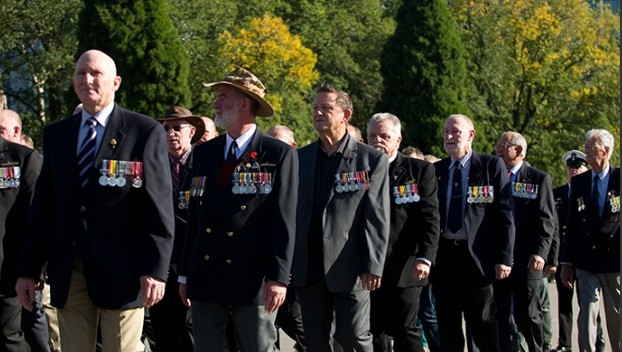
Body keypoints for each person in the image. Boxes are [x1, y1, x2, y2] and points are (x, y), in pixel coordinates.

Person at [15, 49, 175, 352]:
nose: (86, 79)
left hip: (123, 271)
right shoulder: (58, 134)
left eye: (95, 73)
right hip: (69, 268)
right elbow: (44, 209)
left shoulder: (143, 131)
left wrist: (155, 269)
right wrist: (28, 269)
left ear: (115, 82)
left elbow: (158, 208)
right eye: (80, 73)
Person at [177, 67, 298, 352]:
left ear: (245, 104)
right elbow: (194, 216)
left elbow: (284, 219)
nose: (215, 103)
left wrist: (278, 277)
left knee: (258, 347)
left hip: (252, 276)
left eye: (222, 96)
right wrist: (185, 274)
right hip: (207, 273)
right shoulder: (204, 152)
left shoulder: (278, 154)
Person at [291, 84, 390, 351]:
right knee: (315, 343)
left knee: (353, 338)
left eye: (326, 108)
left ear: (345, 115)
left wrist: (373, 264)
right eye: (314, 108)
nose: (318, 113)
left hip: (351, 268)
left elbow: (377, 217)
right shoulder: (299, 159)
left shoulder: (370, 160)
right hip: (308, 268)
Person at [431, 114, 515, 352]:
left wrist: (504, 258)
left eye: (455, 131)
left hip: (478, 258)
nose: (449, 137)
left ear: (471, 135)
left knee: (482, 323)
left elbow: (505, 215)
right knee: (448, 324)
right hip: (446, 257)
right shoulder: (436, 170)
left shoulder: (490, 166)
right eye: (446, 132)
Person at [366, 113, 440, 352]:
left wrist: (425, 257)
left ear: (398, 140)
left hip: (407, 265)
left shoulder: (419, 171)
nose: (378, 140)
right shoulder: (358, 170)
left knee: (405, 327)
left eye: (385, 136)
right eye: (372, 136)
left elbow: (430, 218)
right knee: (373, 330)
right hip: (368, 267)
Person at [149, 105, 205, 352]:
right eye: (166, 128)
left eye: (177, 128)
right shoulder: (153, 165)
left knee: (189, 329)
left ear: (191, 131)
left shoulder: (203, 163)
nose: (171, 133)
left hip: (192, 259)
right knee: (162, 328)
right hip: (160, 262)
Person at [493, 131, 555, 352]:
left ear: (518, 150)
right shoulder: (493, 175)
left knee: (527, 313)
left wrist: (541, 253)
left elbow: (547, 220)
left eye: (503, 145)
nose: (497, 149)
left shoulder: (539, 178)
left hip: (527, 259)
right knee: (499, 314)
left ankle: (537, 348)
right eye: (497, 145)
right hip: (499, 258)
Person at [561, 129, 620, 352]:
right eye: (585, 147)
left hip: (615, 260)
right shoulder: (580, 182)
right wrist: (566, 262)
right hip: (586, 260)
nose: (586, 152)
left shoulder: (619, 178)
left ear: (606, 151)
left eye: (591, 148)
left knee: (616, 317)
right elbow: (572, 223)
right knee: (587, 313)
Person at [551, 150, 605, 352]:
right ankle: (565, 343)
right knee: (564, 303)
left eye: (578, 167)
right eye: (571, 168)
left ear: (586, 168)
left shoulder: (591, 191)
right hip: (563, 256)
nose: (574, 171)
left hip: (584, 257)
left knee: (589, 304)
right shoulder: (557, 194)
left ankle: (597, 340)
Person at [0, 133, 42, 352]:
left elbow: (36, 220)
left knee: (10, 338)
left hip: (7, 273)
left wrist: (32, 270)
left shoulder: (22, 158)